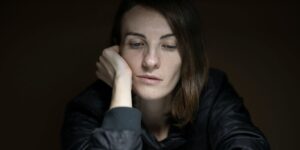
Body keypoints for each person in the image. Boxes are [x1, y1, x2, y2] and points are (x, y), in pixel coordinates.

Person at [61, 0, 270, 149]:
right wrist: (121, 82)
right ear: (117, 50)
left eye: (169, 45)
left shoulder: (212, 92)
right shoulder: (86, 110)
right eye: (136, 44)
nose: (150, 61)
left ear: (189, 55)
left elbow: (247, 143)